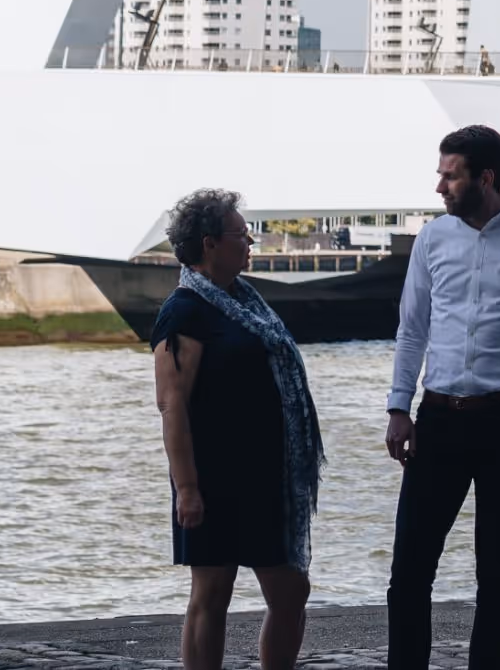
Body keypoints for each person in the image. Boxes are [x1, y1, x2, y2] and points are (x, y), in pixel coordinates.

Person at [386, 123, 500, 670]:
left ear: (485, 178)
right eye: (440, 174)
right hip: (438, 418)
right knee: (410, 569)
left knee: (497, 570)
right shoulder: (432, 239)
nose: (439, 187)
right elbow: (411, 328)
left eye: (450, 175)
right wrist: (399, 407)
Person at [149, 188, 321, 670]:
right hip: (211, 476)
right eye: (241, 235)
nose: (250, 243)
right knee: (212, 590)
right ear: (209, 243)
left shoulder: (243, 300)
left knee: (291, 590)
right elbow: (171, 405)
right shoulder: (184, 311)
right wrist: (186, 488)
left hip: (264, 477)